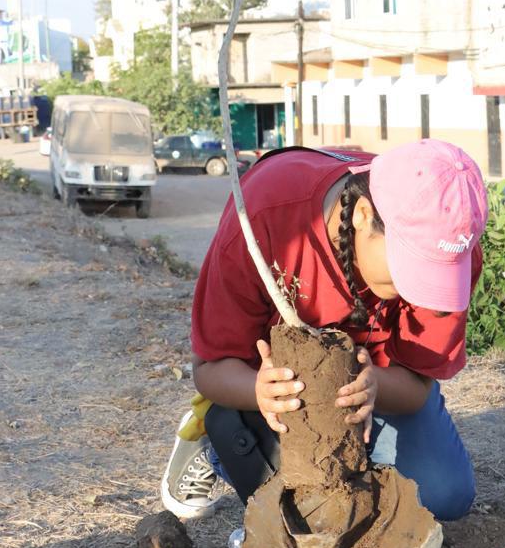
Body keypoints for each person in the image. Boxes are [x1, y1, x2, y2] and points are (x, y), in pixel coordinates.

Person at [161, 139, 488, 523]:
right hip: (279, 388)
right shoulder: (265, 218)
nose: (415, 291)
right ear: (363, 215)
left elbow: (417, 384)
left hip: (371, 384)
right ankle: (214, 439)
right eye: (410, 269)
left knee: (444, 495)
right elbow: (210, 369)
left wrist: (374, 386)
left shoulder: (449, 250)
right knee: (309, 507)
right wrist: (258, 391)